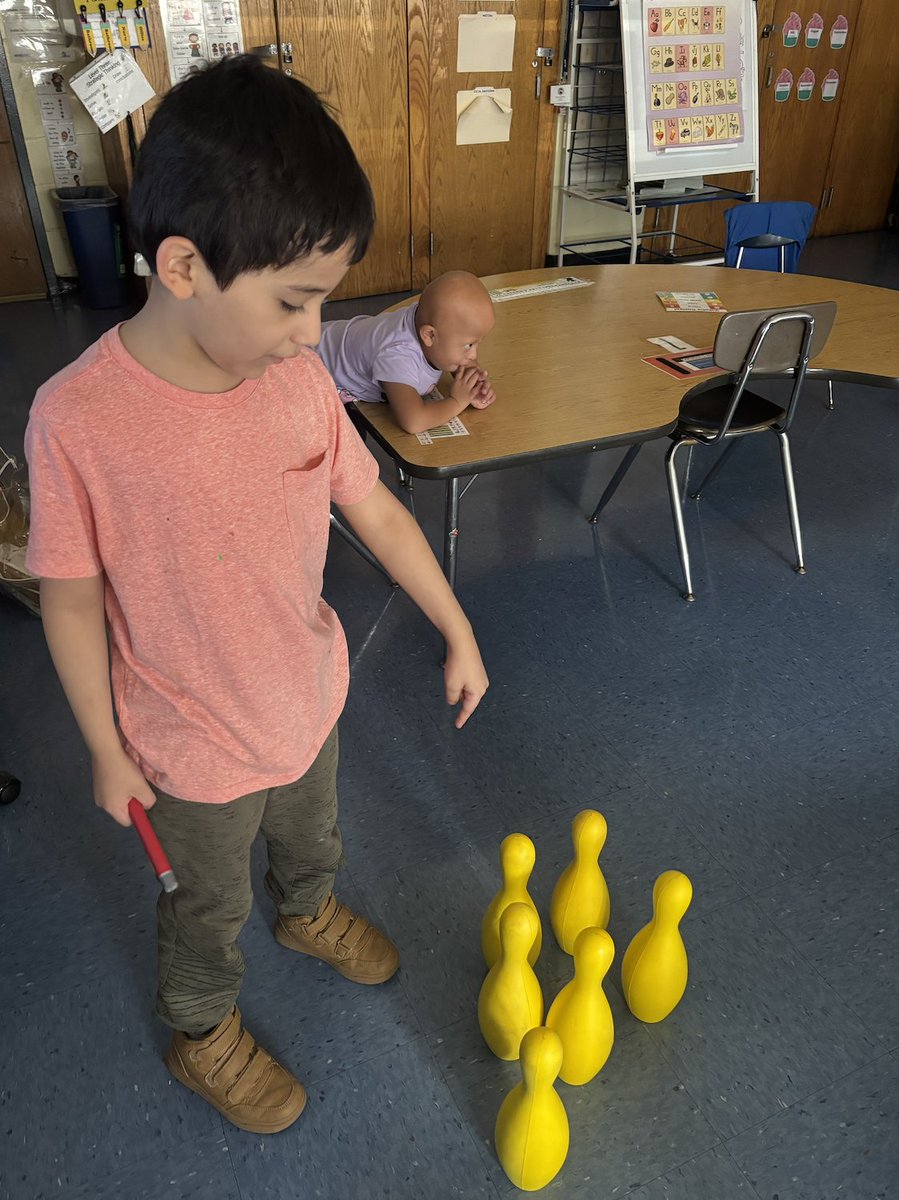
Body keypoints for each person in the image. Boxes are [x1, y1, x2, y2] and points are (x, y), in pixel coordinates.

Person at [24, 56, 488, 1137]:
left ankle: (308, 909)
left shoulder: (299, 385)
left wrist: (455, 626)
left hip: (305, 699)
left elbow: (373, 512)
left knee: (313, 834)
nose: (308, 330)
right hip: (186, 751)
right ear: (183, 264)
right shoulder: (77, 420)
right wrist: (103, 743)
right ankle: (200, 1029)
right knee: (205, 904)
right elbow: (70, 597)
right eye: (294, 300)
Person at [316, 270, 497, 435]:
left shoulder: (425, 318)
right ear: (429, 335)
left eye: (477, 343)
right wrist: (457, 401)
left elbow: (448, 348)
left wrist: (470, 379)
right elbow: (414, 421)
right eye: (468, 345)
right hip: (310, 369)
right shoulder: (398, 356)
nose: (474, 356)